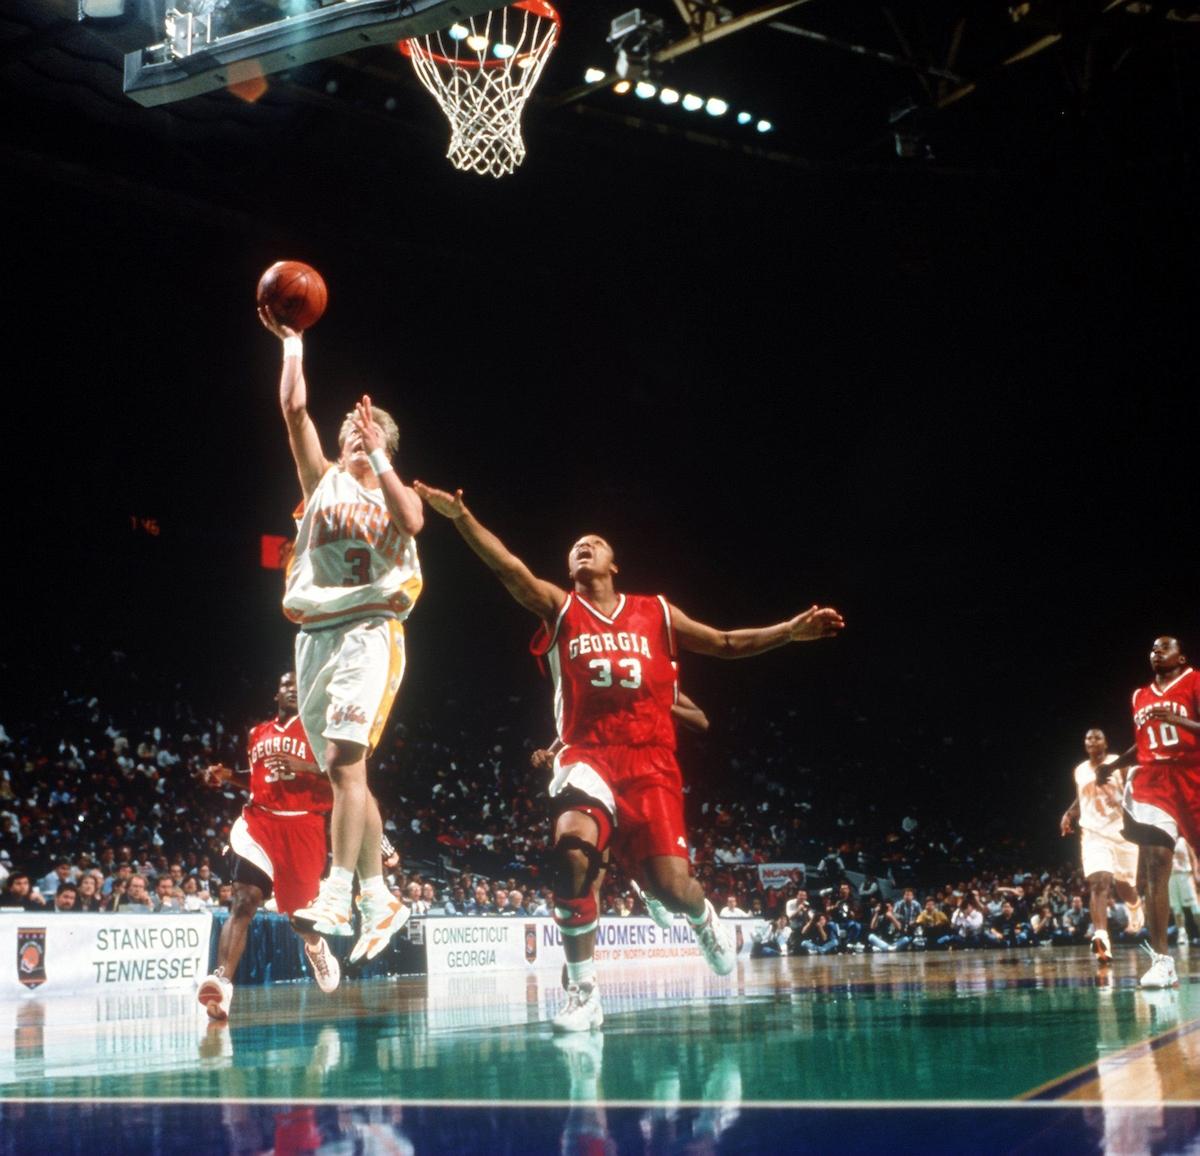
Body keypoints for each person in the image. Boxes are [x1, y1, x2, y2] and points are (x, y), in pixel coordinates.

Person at [412, 482, 843, 1031]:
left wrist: (789, 632)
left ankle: (703, 916)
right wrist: (461, 515)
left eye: (594, 542)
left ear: (617, 563)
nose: (582, 548)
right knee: (571, 854)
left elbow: (727, 643)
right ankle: (583, 991)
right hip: (586, 755)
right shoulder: (561, 608)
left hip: (651, 762)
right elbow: (509, 569)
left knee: (672, 887)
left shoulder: (656, 612)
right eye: (575, 547)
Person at [259, 311, 424, 962]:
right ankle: (380, 896)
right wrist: (293, 342)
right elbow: (294, 409)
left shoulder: (392, 491)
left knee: (345, 763)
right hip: (316, 635)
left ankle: (338, 889)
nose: (359, 437)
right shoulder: (320, 479)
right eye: (353, 432)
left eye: (371, 432)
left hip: (370, 629)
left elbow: (414, 520)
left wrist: (378, 449)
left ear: (386, 443)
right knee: (340, 771)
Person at [195, 671, 343, 1022]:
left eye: (299, 687)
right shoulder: (257, 733)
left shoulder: (321, 731)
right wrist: (228, 776)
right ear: (277, 693)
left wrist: (304, 765)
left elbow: (345, 776)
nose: (293, 690)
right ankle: (222, 984)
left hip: (303, 826)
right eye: (287, 685)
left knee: (300, 920)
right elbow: (258, 779)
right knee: (243, 902)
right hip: (259, 823)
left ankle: (315, 947)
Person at [1099, 637, 1200, 988]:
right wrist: (1114, 765)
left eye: (1165, 647)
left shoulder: (1195, 682)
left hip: (1194, 776)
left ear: (1181, 656)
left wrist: (1177, 719)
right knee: (1156, 863)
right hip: (1155, 782)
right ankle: (1162, 961)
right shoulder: (1138, 696)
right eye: (1153, 648)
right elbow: (1143, 745)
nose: (1156, 652)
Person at [1060, 727, 1144, 964]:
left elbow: (1134, 789)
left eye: (1097, 737)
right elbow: (1082, 796)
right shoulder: (1080, 770)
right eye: (1088, 737)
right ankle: (1101, 938)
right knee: (1099, 881)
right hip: (1093, 832)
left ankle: (1135, 905)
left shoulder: (1118, 762)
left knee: (1124, 886)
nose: (1092, 740)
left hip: (1122, 831)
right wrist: (1069, 813)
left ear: (1106, 744)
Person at [1168, 837, 1200, 950]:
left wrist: (1195, 874)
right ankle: (1182, 934)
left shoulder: (1183, 840)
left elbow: (1194, 858)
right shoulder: (1164, 839)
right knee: (1176, 908)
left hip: (1185, 875)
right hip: (1171, 876)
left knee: (1196, 908)